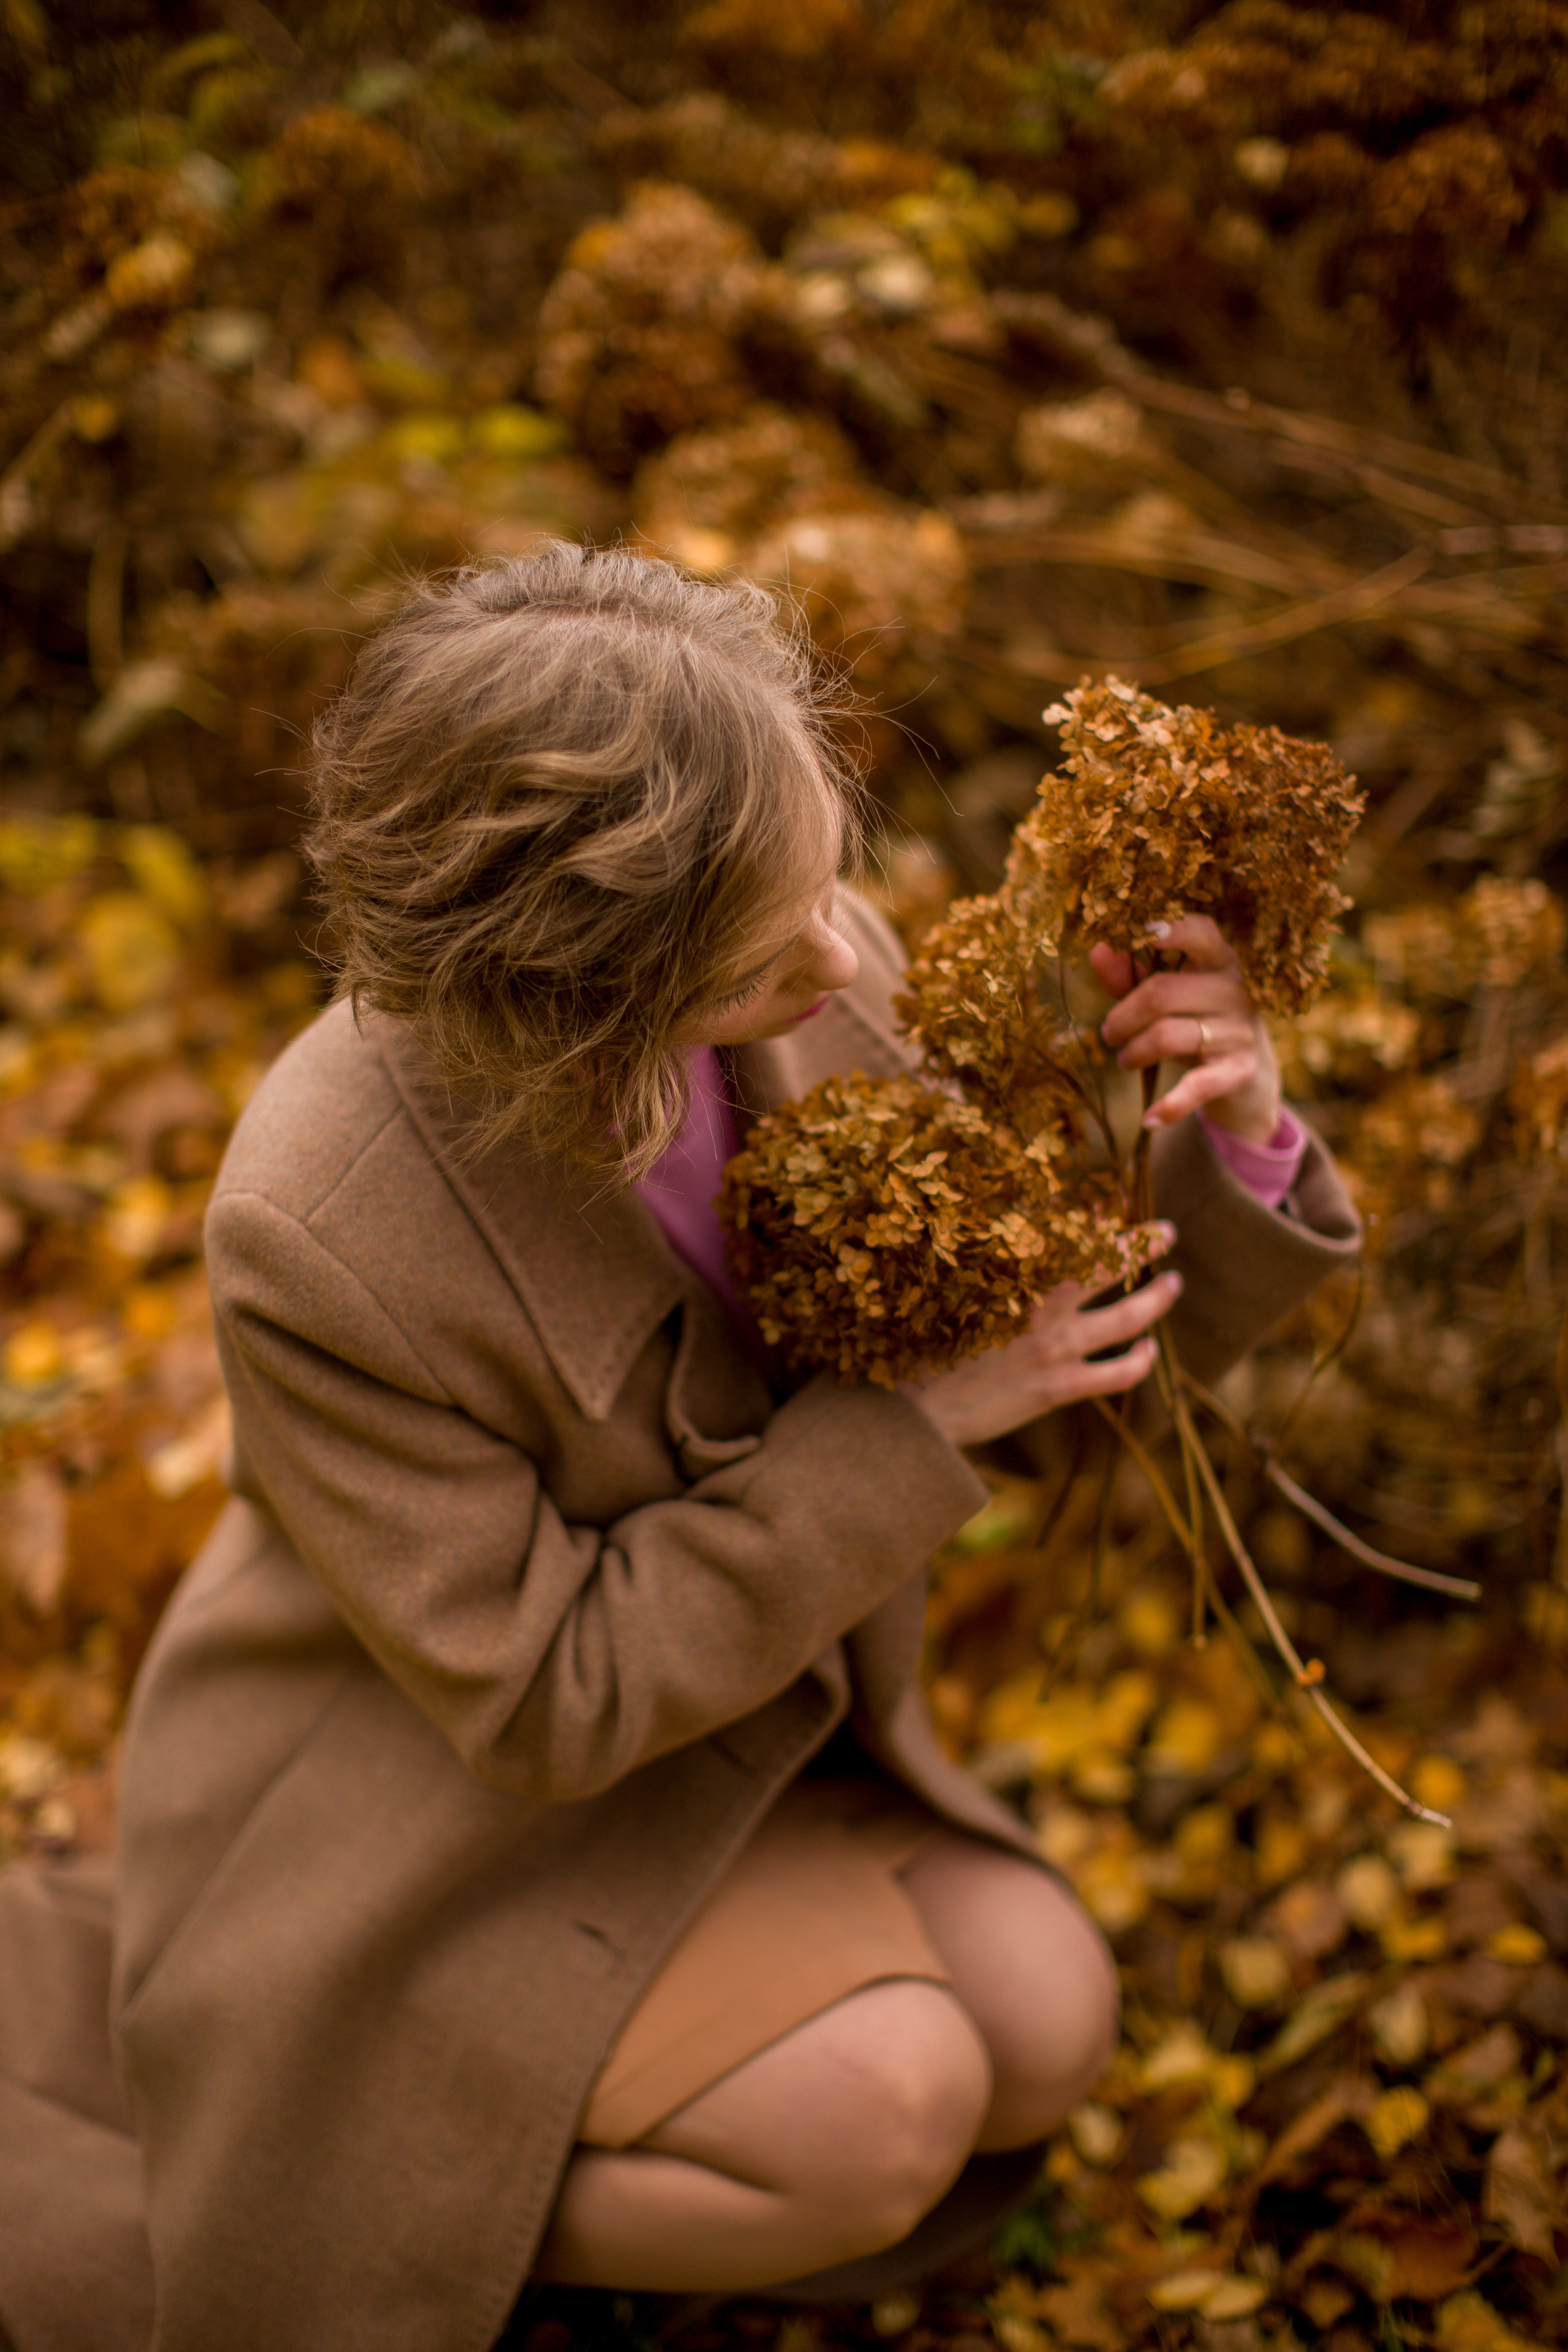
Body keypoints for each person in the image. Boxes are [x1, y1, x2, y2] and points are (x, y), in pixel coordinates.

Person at [0, 545, 1359, 2352]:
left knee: (1045, 2020)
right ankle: (398, 2202)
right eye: (761, 937)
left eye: (826, 871)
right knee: (886, 2107)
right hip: (431, 1806)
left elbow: (1065, 1346)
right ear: (581, 981)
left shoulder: (807, 968)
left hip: (737, 1731)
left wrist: (1232, 1128)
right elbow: (550, 1696)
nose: (837, 945)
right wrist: (919, 1425)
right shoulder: (318, 1221)